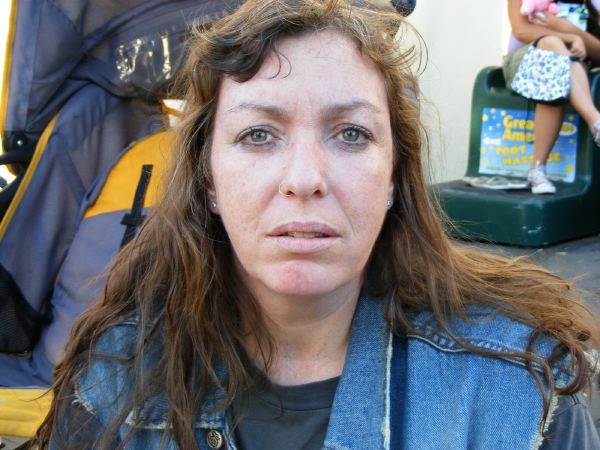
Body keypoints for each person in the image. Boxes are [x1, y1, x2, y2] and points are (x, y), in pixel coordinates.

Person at [35, 0, 600, 448]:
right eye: (259, 134)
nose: (304, 179)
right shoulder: (114, 380)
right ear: (208, 181)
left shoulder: (519, 389)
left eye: (351, 134)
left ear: (395, 178)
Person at [505, 0, 600, 194]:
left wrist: (572, 31)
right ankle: (596, 122)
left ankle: (536, 170)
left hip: (572, 69)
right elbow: (521, 30)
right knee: (552, 48)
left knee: (555, 67)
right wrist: (568, 36)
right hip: (522, 63)